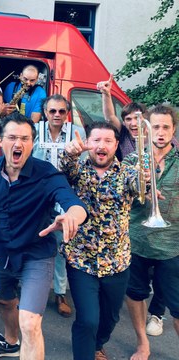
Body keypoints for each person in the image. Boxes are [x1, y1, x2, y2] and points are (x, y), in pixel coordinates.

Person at [0, 112, 87, 360]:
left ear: (32, 144)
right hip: (1, 254)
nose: (18, 144)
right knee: (6, 304)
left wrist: (72, 217)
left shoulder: (46, 174)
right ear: (1, 141)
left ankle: (19, 339)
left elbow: (74, 204)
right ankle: (10, 342)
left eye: (25, 139)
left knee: (29, 323)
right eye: (12, 137)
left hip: (37, 255)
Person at [60, 122, 141, 360]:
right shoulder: (78, 170)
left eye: (107, 141)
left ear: (116, 145)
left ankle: (98, 344)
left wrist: (146, 183)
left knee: (110, 318)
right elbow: (63, 172)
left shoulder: (127, 173)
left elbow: (138, 186)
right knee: (87, 320)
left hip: (117, 262)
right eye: (96, 140)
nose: (101, 146)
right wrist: (69, 153)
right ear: (87, 144)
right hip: (81, 260)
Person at [123, 105, 179, 360]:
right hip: (137, 240)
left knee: (177, 306)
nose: (160, 132)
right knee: (136, 294)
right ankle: (142, 343)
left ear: (173, 130)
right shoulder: (133, 160)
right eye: (155, 126)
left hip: (172, 245)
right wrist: (139, 187)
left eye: (166, 127)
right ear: (148, 129)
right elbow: (120, 195)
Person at [32, 94, 86, 318]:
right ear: (45, 112)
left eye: (61, 111)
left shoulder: (77, 132)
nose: (56, 115)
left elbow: (83, 165)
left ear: (67, 113)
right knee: (34, 240)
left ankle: (60, 292)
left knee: (62, 247)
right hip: (38, 194)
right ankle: (31, 288)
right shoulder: (36, 129)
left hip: (64, 194)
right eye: (52, 111)